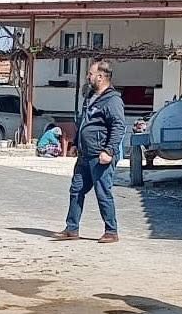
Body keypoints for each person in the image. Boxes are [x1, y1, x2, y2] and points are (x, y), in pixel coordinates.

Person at [53, 58, 127, 243]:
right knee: (76, 189)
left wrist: (109, 151)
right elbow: (84, 122)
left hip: (100, 154)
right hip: (85, 154)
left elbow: (118, 126)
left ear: (101, 77)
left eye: (91, 74)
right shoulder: (91, 97)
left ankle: (111, 231)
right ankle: (72, 228)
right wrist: (76, 143)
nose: (88, 77)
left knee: (103, 192)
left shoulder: (113, 100)